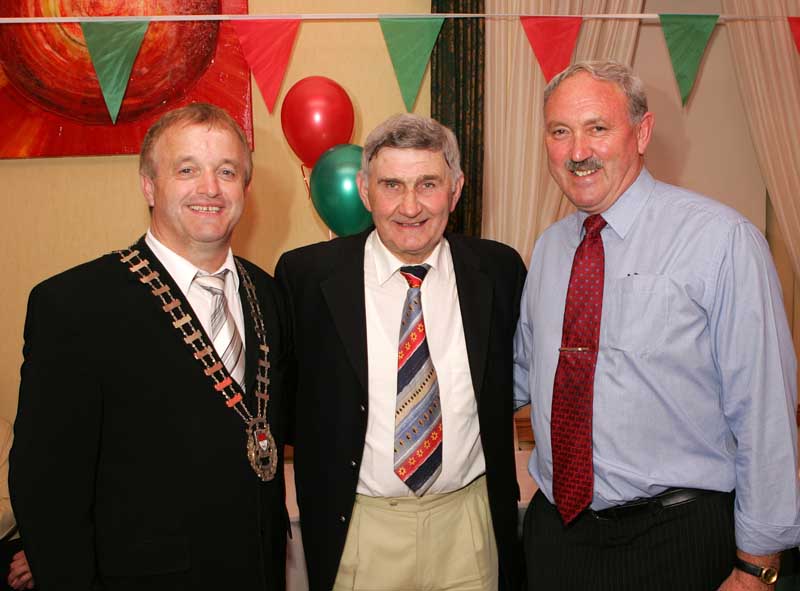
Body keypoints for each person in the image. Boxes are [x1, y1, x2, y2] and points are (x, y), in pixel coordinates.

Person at [513, 60, 800, 590]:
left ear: (642, 132)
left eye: (598, 127)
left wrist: (757, 563)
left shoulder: (722, 240)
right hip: (558, 538)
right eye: (560, 131)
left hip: (677, 540)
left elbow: (764, 411)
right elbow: (521, 375)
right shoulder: (551, 249)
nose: (578, 151)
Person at [10, 103, 290, 591]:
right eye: (187, 170)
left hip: (257, 570)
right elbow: (46, 487)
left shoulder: (267, 293)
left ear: (245, 188)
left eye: (227, 171)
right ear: (148, 185)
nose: (210, 188)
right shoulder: (75, 305)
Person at [276, 114, 526, 591]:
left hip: (469, 525)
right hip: (361, 529)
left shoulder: (499, 270)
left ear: (455, 190)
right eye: (392, 185)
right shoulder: (305, 277)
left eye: (428, 184)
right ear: (366, 191)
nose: (410, 206)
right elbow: (286, 403)